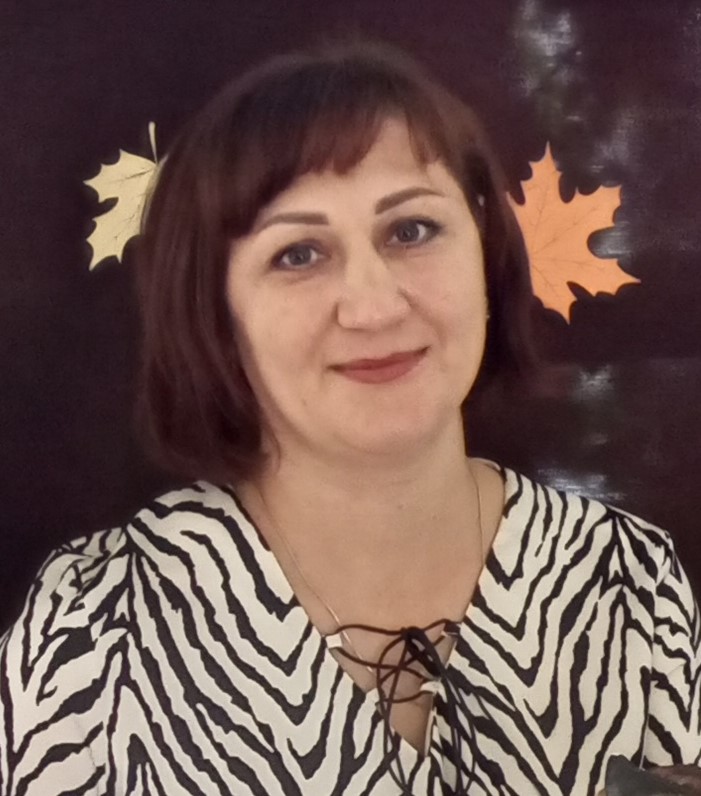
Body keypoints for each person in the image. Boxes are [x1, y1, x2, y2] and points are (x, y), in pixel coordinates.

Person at [0, 40, 699, 796]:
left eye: (411, 231)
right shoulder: (93, 623)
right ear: (216, 313)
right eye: (298, 254)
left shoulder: (632, 581)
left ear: (485, 252)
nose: (374, 307)